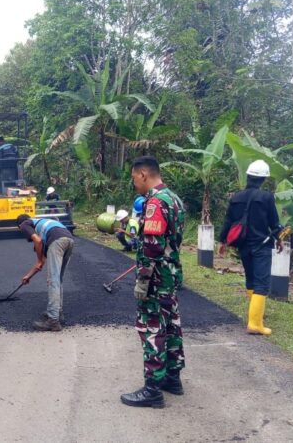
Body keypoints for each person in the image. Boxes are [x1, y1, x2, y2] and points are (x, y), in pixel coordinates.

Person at [120, 155, 186, 409]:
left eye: (134, 178)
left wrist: (143, 280)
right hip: (171, 274)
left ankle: (152, 390)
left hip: (157, 277)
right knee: (171, 325)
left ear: (143, 175)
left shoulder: (155, 202)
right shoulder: (174, 198)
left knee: (152, 328)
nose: (134, 183)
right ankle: (172, 378)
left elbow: (152, 246)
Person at [218, 160, 284, 336]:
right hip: (261, 245)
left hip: (243, 245)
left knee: (251, 280)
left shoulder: (236, 197)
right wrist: (279, 238)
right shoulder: (266, 197)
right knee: (262, 283)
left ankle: (256, 314)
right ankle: (255, 324)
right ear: (263, 179)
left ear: (248, 176)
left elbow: (228, 221)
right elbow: (274, 223)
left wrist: (222, 241)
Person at [17, 214, 75, 332]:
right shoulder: (44, 227)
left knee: (53, 280)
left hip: (58, 240)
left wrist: (38, 259)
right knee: (58, 279)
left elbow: (37, 241)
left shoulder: (24, 224)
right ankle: (57, 312)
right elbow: (41, 262)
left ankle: (53, 321)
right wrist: (28, 276)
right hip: (69, 239)